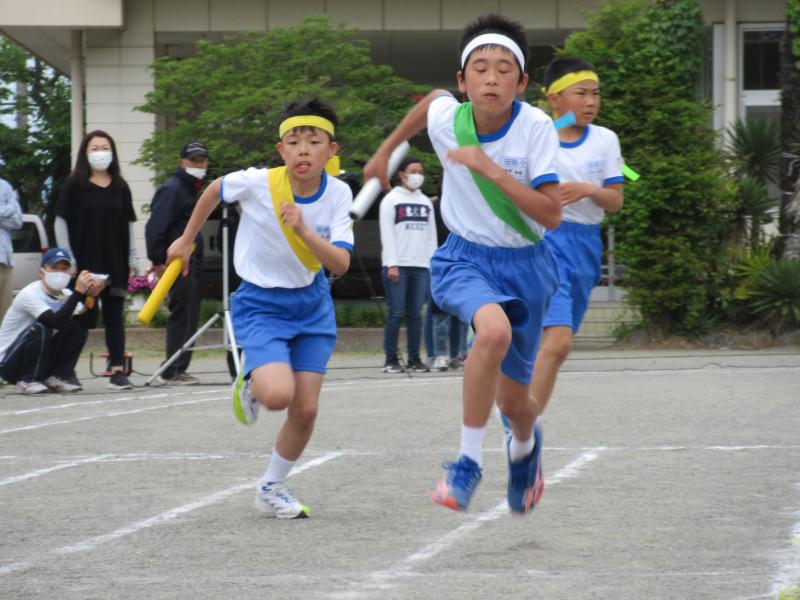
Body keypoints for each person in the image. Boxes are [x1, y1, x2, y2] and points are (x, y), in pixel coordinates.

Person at [363, 14, 561, 514]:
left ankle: (525, 446)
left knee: (515, 405)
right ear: (462, 80)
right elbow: (429, 102)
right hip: (465, 257)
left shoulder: (536, 127)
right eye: (480, 68)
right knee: (491, 333)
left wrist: (489, 169)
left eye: (503, 70)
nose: (491, 79)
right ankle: (467, 463)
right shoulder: (448, 117)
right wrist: (385, 152)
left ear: (521, 83)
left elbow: (551, 214)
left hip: (528, 265)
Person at [167, 99, 353, 519]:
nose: (303, 150)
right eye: (294, 141)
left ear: (331, 150)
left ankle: (271, 486)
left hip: (313, 305)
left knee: (306, 409)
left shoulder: (339, 193)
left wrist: (303, 228)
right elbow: (214, 189)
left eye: (314, 141)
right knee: (278, 396)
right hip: (261, 304)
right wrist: (186, 239)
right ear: (281, 149)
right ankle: (252, 381)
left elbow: (340, 263)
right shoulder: (258, 183)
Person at [525, 56, 624, 426]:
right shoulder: (539, 137)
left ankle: (520, 412)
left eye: (596, 94)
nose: (591, 101)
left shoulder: (606, 139)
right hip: (545, 242)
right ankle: (524, 425)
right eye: (581, 93)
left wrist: (588, 190)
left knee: (554, 344)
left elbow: (615, 201)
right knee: (559, 342)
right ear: (554, 98)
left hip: (586, 246)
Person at [55, 130, 138, 391]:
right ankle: (65, 371)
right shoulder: (74, 185)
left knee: (114, 317)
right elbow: (60, 220)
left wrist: (132, 258)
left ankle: (117, 371)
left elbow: (129, 224)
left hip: (114, 260)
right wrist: (68, 258)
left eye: (105, 147)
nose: (100, 153)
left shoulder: (121, 186)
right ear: (85, 153)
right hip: (82, 262)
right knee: (80, 316)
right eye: (94, 148)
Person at [145, 142, 210, 385]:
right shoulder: (173, 188)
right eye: (194, 160)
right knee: (182, 315)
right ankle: (171, 370)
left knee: (190, 315)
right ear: (182, 162)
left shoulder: (190, 189)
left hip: (190, 263)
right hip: (176, 264)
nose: (199, 165)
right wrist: (157, 260)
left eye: (202, 160)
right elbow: (155, 227)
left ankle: (179, 367)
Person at [0, 248, 104, 394]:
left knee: (77, 326)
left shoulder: (66, 294)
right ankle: (28, 380)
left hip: (38, 359)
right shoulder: (30, 293)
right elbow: (55, 322)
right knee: (42, 327)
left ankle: (58, 376)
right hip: (9, 363)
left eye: (64, 269)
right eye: (54, 268)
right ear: (41, 272)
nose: (59, 272)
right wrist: (78, 292)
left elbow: (89, 323)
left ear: (70, 273)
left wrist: (93, 295)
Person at [379, 155, 438, 373]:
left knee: (415, 314)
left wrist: (433, 265)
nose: (417, 176)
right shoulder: (391, 200)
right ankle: (391, 359)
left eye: (421, 172)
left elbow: (431, 236)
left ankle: (414, 358)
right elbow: (387, 234)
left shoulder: (425, 202)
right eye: (414, 171)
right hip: (398, 265)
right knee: (395, 313)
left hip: (421, 266)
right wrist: (392, 264)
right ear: (402, 174)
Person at [0, 176, 23, 319]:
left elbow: (17, 221)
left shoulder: (5, 186)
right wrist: (7, 210)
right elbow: (12, 212)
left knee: (5, 313)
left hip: (5, 259)